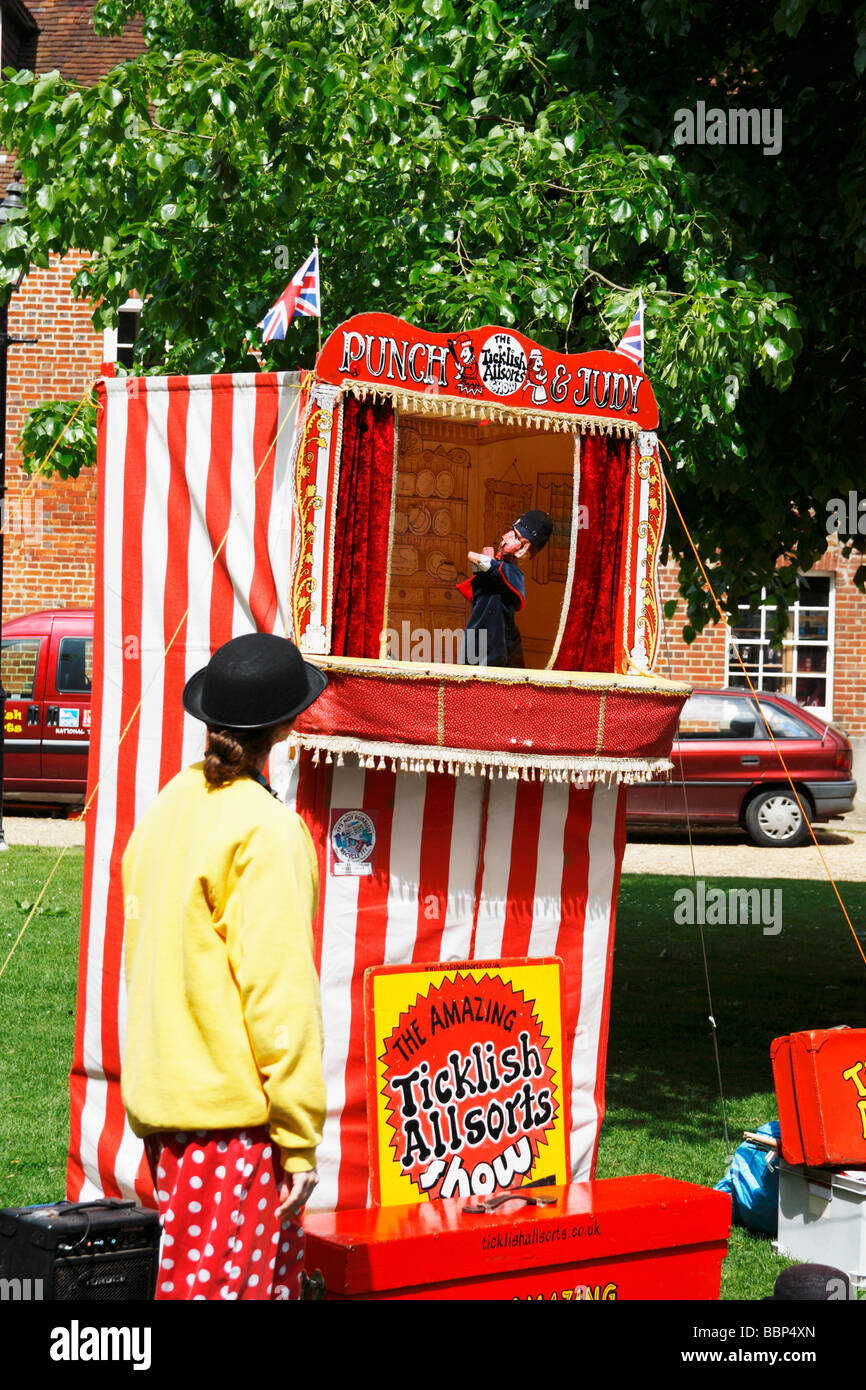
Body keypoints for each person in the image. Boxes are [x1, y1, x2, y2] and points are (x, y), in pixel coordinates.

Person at [121, 632, 328, 1301]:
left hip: (169, 1108)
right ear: (289, 724)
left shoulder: (169, 804)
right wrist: (298, 1138)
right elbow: (280, 994)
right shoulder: (265, 829)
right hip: (227, 1123)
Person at [458, 509, 553, 668]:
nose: (505, 537)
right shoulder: (497, 571)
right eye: (510, 532)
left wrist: (480, 559)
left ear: (523, 549)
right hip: (477, 635)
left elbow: (478, 560)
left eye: (515, 537)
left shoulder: (510, 572)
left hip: (496, 645)